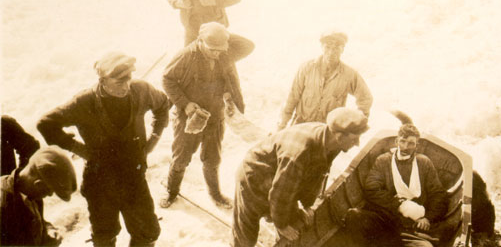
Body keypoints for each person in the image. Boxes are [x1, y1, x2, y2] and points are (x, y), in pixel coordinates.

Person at [36, 52, 170, 247]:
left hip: (134, 175)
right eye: (118, 83)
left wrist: (154, 138)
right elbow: (46, 123)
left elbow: (163, 104)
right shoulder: (84, 102)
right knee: (104, 234)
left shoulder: (140, 90)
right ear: (103, 80)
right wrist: (78, 148)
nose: (125, 87)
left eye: (128, 80)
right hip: (100, 179)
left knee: (147, 231)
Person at [232, 107, 369, 247]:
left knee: (291, 218)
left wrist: (307, 205)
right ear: (339, 136)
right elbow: (281, 192)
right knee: (246, 234)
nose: (357, 143)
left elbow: (318, 174)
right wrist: (281, 224)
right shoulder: (299, 152)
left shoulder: (331, 142)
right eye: (354, 138)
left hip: (280, 179)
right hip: (253, 179)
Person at [160, 22, 254, 209]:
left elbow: (248, 46)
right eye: (212, 49)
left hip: (215, 117)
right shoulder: (186, 55)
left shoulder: (225, 52)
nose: (216, 54)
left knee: (212, 160)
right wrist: (185, 105)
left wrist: (221, 34)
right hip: (190, 118)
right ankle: (171, 192)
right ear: (200, 41)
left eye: (220, 50)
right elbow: (167, 79)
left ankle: (215, 195)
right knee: (181, 159)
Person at [344, 111, 447, 247]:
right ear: (396, 141)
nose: (405, 147)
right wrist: (399, 204)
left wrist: (427, 218)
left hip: (411, 227)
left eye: (411, 143)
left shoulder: (424, 163)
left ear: (417, 145)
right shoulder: (383, 161)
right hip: (385, 220)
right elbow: (372, 189)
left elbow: (438, 195)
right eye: (402, 141)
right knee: (354, 215)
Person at [278, 30, 373, 130]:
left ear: (342, 50)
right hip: (301, 127)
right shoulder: (306, 68)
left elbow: (366, 98)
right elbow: (292, 98)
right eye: (328, 47)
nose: (331, 52)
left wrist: (356, 123)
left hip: (327, 133)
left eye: (336, 48)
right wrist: (281, 125)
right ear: (322, 47)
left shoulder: (349, 75)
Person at [1, 145, 77, 246]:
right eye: (50, 191)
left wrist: (48, 230)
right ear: (38, 184)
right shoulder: (4, 206)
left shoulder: (26, 190)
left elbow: (30, 221)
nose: (49, 195)